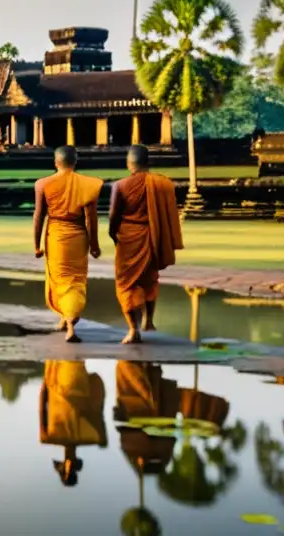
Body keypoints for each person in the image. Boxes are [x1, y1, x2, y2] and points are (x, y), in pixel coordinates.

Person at [108, 144, 184, 344]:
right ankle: (148, 320)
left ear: (128, 163)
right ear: (147, 162)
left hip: (128, 238)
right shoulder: (162, 183)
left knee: (126, 284)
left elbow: (113, 216)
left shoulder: (120, 185)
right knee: (150, 280)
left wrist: (113, 235)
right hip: (153, 237)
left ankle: (133, 329)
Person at [34, 145, 103, 343]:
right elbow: (91, 218)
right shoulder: (87, 184)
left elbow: (39, 215)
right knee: (74, 280)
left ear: (56, 163)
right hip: (78, 237)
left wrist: (36, 245)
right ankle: (66, 318)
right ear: (75, 161)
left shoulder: (43, 184)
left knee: (59, 279)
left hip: (55, 236)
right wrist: (94, 244)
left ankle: (70, 325)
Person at [39, 360, 107, 486]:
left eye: (66, 470)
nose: (69, 467)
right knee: (71, 359)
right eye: (70, 471)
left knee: (67, 357)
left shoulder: (49, 437)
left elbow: (42, 409)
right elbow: (98, 412)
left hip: (61, 382)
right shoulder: (89, 437)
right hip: (73, 384)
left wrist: (46, 384)